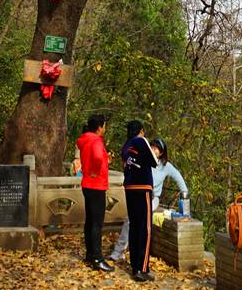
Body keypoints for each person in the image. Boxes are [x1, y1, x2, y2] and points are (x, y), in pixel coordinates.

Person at [110, 137, 188, 263]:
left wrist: (185, 194)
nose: (153, 149)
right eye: (152, 146)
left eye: (157, 148)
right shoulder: (144, 159)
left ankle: (122, 252)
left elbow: (178, 177)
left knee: (134, 220)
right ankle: (120, 251)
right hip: (139, 195)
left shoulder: (165, 166)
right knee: (130, 219)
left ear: (161, 152)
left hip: (153, 198)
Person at [76, 114, 115, 272]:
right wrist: (94, 171)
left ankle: (90, 255)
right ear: (99, 127)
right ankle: (98, 259)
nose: (105, 128)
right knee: (97, 223)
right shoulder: (96, 140)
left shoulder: (86, 139)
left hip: (87, 185)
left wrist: (105, 160)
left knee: (90, 221)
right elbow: (97, 157)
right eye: (104, 125)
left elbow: (96, 157)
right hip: (96, 185)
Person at [120, 120, 158, 282]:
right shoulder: (141, 141)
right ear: (141, 131)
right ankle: (142, 268)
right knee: (146, 229)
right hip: (143, 188)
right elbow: (154, 162)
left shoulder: (126, 146)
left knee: (135, 227)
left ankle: (135, 266)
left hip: (129, 188)